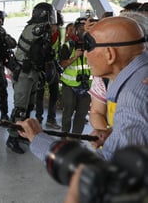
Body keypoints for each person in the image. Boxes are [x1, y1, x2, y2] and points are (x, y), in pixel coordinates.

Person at [16, 16, 148, 163]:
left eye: (89, 47)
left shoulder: (133, 96)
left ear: (110, 54)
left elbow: (104, 175)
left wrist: (38, 139)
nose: (85, 54)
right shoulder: (141, 76)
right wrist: (115, 134)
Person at [6, 2, 56, 154]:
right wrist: (48, 26)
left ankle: (22, 133)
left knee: (29, 107)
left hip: (32, 73)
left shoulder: (40, 31)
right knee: (20, 108)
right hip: (23, 74)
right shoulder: (34, 28)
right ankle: (12, 138)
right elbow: (40, 30)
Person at [59, 17, 91, 134]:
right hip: (69, 85)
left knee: (81, 115)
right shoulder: (68, 46)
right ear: (76, 30)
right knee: (67, 113)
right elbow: (62, 64)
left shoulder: (92, 46)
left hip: (86, 86)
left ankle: (76, 138)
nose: (83, 31)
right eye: (80, 29)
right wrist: (75, 57)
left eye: (85, 29)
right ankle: (64, 137)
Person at [35, 10, 64, 129]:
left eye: (54, 24)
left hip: (53, 67)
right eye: (50, 24)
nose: (52, 27)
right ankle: (38, 119)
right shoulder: (40, 33)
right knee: (39, 95)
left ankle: (51, 119)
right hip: (41, 67)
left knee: (54, 94)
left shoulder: (61, 34)